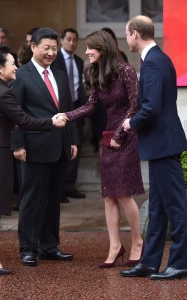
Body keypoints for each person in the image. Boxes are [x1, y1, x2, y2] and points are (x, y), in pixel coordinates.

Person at [0, 45, 66, 276]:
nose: (16, 67)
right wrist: (52, 121)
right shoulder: (4, 92)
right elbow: (25, 121)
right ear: (0, 68)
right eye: (12, 63)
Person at [59, 30, 145, 268]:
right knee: (108, 195)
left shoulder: (126, 70)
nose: (85, 52)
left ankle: (138, 242)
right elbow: (91, 105)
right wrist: (66, 116)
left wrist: (120, 135)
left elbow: (134, 106)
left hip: (126, 137)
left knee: (123, 193)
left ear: (103, 48)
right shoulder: (96, 71)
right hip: (108, 137)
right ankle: (115, 246)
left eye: (90, 48)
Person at [121, 15, 187, 280]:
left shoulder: (153, 63)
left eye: (127, 33)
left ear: (135, 34)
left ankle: (180, 265)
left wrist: (130, 123)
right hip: (160, 144)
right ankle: (149, 263)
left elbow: (150, 108)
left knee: (175, 208)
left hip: (163, 144)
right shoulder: (156, 60)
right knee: (158, 209)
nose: (127, 38)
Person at [10, 27, 79, 267]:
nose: (51, 53)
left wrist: (72, 140)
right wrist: (17, 145)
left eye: (54, 48)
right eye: (46, 48)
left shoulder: (60, 75)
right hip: (33, 148)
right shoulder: (22, 75)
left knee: (53, 199)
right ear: (33, 47)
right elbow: (15, 114)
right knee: (31, 199)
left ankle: (50, 246)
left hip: (59, 147)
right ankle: (28, 248)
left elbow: (68, 110)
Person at [52, 28, 86, 202]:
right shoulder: (55, 59)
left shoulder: (79, 61)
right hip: (58, 109)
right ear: (62, 40)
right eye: (69, 39)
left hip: (76, 108)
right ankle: (59, 190)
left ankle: (70, 186)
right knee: (61, 148)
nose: (72, 43)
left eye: (75, 40)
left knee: (76, 147)